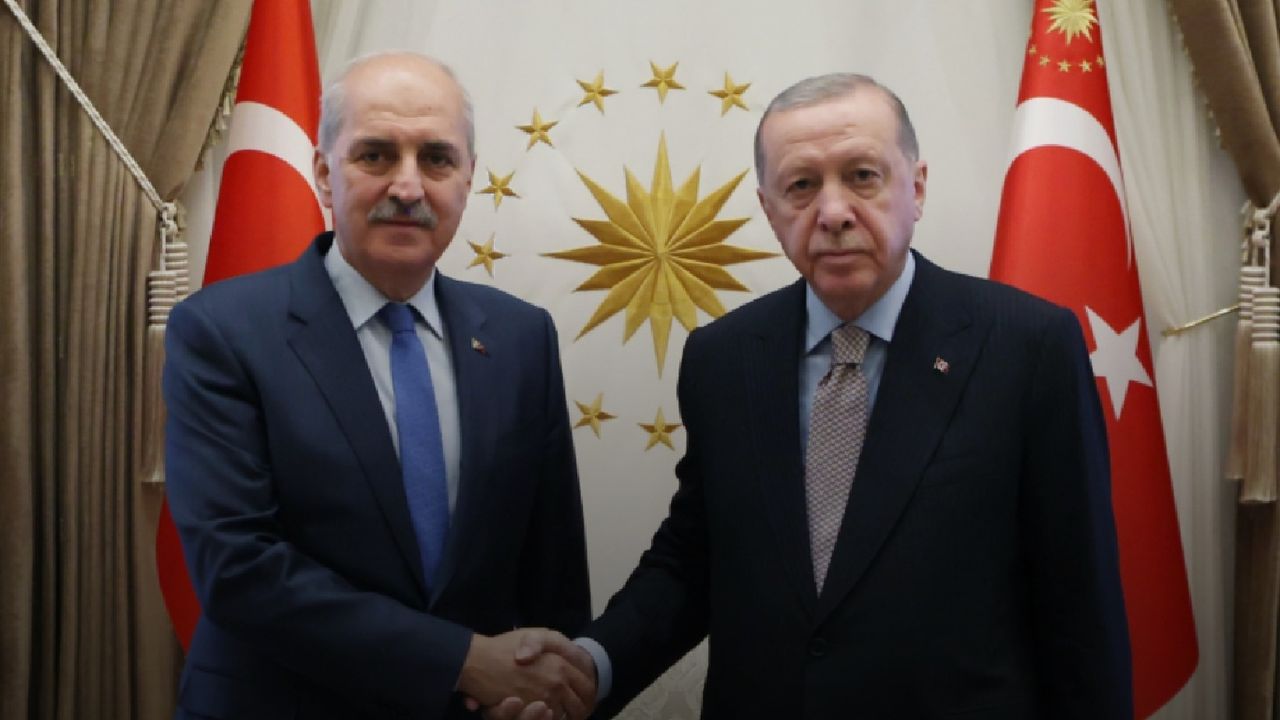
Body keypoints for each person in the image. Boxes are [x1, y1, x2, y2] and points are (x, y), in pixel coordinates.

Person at [514, 73, 1133, 719]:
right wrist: (591, 666)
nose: (833, 212)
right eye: (802, 185)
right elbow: (696, 558)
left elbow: (1079, 607)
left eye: (862, 176)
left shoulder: (1027, 347)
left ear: (917, 187)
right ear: (769, 209)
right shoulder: (723, 359)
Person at [163, 51, 593, 720]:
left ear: (469, 177)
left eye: (437, 159)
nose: (408, 186)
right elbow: (237, 568)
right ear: (323, 173)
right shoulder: (221, 332)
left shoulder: (520, 337)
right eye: (375, 155)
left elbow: (553, 572)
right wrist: (461, 661)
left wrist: (547, 690)